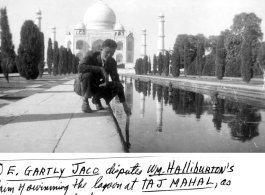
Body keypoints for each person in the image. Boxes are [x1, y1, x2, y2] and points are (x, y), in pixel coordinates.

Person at [78, 39, 131, 115]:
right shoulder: (91, 55)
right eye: (107, 52)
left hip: (98, 86)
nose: (109, 55)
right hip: (84, 85)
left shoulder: (112, 62)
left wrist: (125, 105)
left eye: (111, 53)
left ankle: (97, 100)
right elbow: (80, 67)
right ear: (101, 50)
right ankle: (85, 102)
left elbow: (117, 81)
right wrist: (100, 69)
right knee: (87, 75)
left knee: (117, 85)